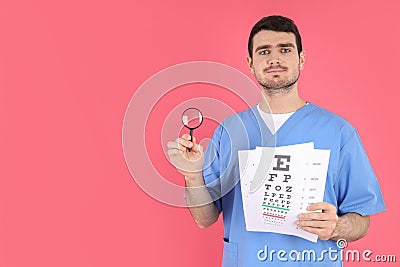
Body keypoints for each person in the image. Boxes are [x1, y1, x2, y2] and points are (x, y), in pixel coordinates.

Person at [167, 15, 385, 266]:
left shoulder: (339, 132)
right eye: (263, 51)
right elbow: (205, 218)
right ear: (250, 63)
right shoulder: (230, 131)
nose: (274, 59)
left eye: (285, 49)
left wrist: (337, 226)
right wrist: (193, 176)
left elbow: (362, 220)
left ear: (301, 59)